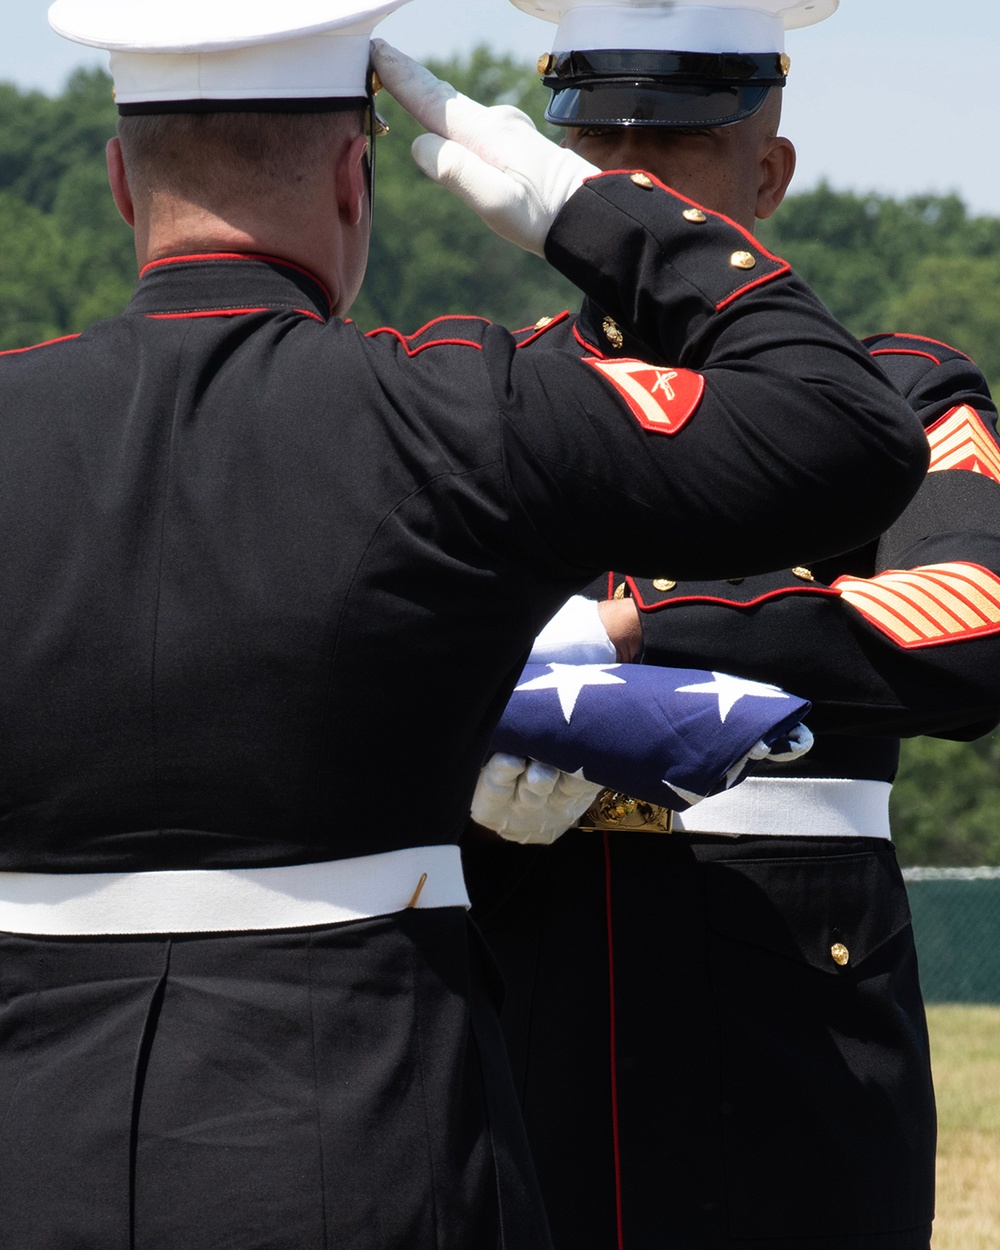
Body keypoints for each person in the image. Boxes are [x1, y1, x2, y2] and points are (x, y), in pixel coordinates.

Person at [0, 1, 928, 1247]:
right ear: (353, 173)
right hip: (367, 1136)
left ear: (118, 181)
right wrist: (583, 215)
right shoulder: (447, 414)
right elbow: (846, 432)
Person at [462, 2, 1000, 1249]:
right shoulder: (480, 397)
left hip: (791, 1007)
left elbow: (971, 620)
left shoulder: (893, 392)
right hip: (521, 971)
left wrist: (638, 633)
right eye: (595, 155)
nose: (624, 197)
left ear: (767, 172)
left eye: (671, 158)